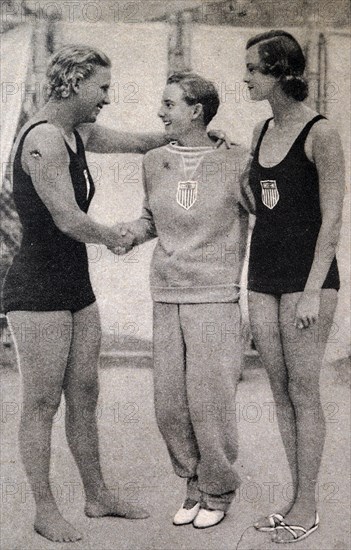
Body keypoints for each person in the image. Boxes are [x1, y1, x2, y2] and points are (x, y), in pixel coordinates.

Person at [1, 44, 227, 543]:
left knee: (84, 394)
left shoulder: (75, 130)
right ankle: (44, 509)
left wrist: (193, 137)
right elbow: (68, 219)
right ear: (75, 82)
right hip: (36, 287)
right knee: (41, 403)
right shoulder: (42, 139)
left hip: (74, 283)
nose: (108, 96)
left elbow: (134, 142)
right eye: (102, 87)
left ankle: (97, 495)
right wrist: (119, 236)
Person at [114, 72, 253, 529]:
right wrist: (129, 234)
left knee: (209, 403)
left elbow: (270, 218)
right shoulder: (155, 161)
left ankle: (218, 490)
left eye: (169, 104)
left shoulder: (238, 162)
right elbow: (150, 219)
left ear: (196, 111)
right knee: (169, 405)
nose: (160, 112)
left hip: (215, 298)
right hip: (166, 293)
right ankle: (192, 483)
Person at [243, 30, 345, 543]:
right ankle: (293, 496)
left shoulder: (321, 132)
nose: (246, 78)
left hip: (309, 280)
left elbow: (332, 220)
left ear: (282, 72)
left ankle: (308, 505)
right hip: (263, 275)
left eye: (254, 70)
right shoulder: (262, 130)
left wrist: (310, 290)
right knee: (280, 391)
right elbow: (254, 195)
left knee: (304, 391)